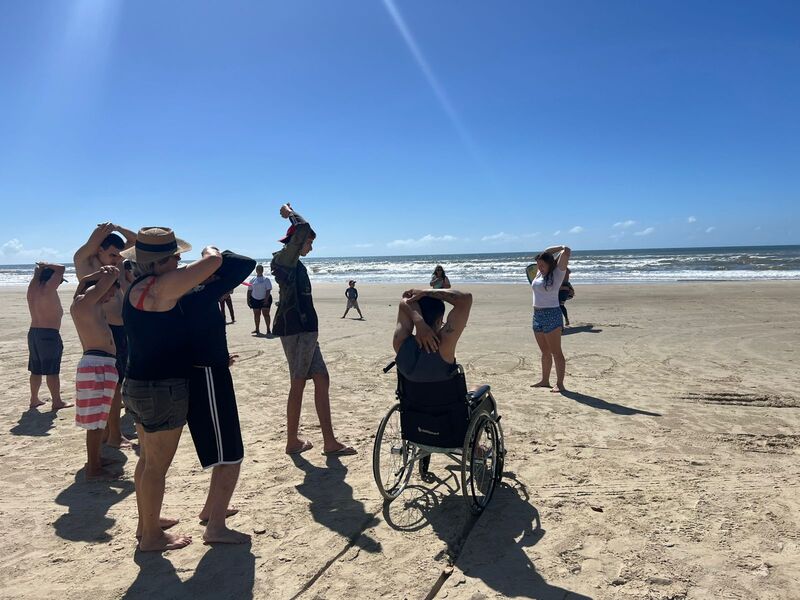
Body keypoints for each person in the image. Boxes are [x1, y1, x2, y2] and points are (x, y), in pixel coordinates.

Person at [121, 227, 223, 552]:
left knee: (146, 461)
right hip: (161, 389)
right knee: (156, 467)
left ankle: (146, 523)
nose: (180, 261)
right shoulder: (162, 287)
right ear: (161, 261)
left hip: (137, 383)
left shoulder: (137, 286)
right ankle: (152, 537)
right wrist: (209, 250)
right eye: (176, 256)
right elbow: (214, 261)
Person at [180, 246, 255, 544]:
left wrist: (220, 357)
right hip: (207, 377)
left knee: (224, 454)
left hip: (210, 371)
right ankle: (215, 527)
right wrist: (210, 254)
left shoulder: (191, 293)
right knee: (231, 456)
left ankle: (210, 511)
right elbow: (245, 263)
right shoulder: (199, 294)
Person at [270, 202, 355, 457]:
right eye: (309, 242)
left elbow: (304, 231)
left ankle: (329, 442)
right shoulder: (284, 260)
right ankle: (292, 441)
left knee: (321, 379)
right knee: (298, 384)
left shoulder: (295, 263)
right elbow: (303, 227)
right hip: (295, 330)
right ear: (297, 242)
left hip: (306, 331)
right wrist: (290, 213)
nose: (311, 247)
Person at [74, 222, 137, 449]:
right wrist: (103, 231)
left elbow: (135, 242)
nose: (116, 259)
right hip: (106, 330)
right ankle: (114, 436)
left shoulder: (116, 263)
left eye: (118, 256)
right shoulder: (86, 263)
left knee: (117, 383)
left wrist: (119, 228)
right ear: (99, 249)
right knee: (114, 385)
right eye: (111, 254)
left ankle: (108, 434)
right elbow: (90, 245)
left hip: (123, 329)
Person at [71, 267, 122, 481]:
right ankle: (93, 468)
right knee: (95, 422)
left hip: (102, 364)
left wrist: (89, 278)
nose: (111, 296)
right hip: (96, 365)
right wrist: (107, 272)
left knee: (100, 417)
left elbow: (87, 284)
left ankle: (97, 459)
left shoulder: (93, 305)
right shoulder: (84, 303)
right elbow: (112, 275)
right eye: (111, 292)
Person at [392, 287, 473, 379]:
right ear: (439, 321)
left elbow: (405, 300)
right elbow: (466, 298)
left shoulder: (400, 342)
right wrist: (424, 292)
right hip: (445, 388)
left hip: (409, 388)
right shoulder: (445, 343)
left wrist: (419, 321)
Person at [26, 262, 72, 410]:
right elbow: (61, 268)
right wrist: (45, 264)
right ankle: (57, 402)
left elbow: (37, 273)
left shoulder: (32, 287)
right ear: (51, 279)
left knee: (36, 369)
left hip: (34, 333)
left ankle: (34, 399)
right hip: (48, 335)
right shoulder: (48, 289)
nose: (59, 283)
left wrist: (40, 269)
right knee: (52, 370)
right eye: (59, 280)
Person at [531, 245, 571, 393]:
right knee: (545, 352)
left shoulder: (558, 273)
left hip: (552, 314)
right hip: (537, 315)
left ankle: (560, 384)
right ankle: (544, 380)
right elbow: (546, 252)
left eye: (542, 265)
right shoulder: (539, 274)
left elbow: (566, 251)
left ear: (550, 264)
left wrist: (562, 247)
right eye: (538, 265)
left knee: (556, 352)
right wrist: (546, 257)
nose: (539, 268)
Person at [247, 264, 273, 335]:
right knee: (256, 315)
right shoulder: (252, 280)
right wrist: (248, 300)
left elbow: (268, 290)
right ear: (256, 270)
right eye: (258, 269)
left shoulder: (266, 279)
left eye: (260, 269)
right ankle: (257, 329)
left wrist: (266, 299)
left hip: (265, 299)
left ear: (262, 270)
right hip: (255, 299)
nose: (259, 270)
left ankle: (268, 329)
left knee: (266, 314)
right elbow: (249, 290)